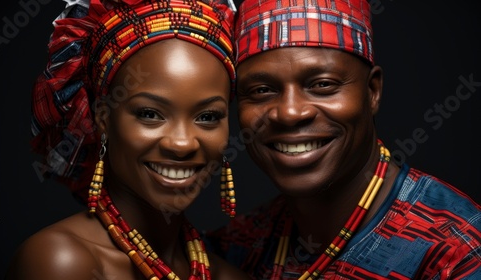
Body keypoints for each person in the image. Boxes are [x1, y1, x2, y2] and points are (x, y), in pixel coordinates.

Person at [206, 0, 481, 279]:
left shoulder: (458, 254)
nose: (289, 113)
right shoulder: (233, 248)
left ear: (372, 91)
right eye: (262, 90)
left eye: (322, 84)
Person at [6, 0, 250, 279]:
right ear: (103, 118)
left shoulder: (229, 275)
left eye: (207, 117)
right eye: (150, 113)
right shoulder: (61, 263)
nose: (182, 143)